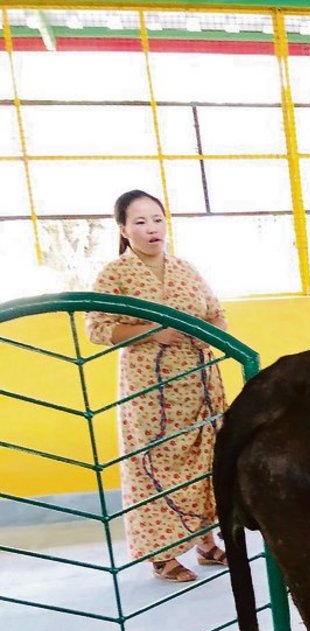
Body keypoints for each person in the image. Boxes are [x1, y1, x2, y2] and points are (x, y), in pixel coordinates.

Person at [86, 190, 228, 583]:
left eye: (158, 220)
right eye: (141, 222)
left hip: (200, 386)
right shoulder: (114, 274)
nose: (152, 229)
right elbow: (96, 328)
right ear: (123, 229)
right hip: (149, 392)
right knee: (155, 467)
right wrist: (151, 332)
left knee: (206, 463)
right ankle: (161, 556)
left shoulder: (186, 268)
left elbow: (217, 315)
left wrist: (211, 334)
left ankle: (205, 541)